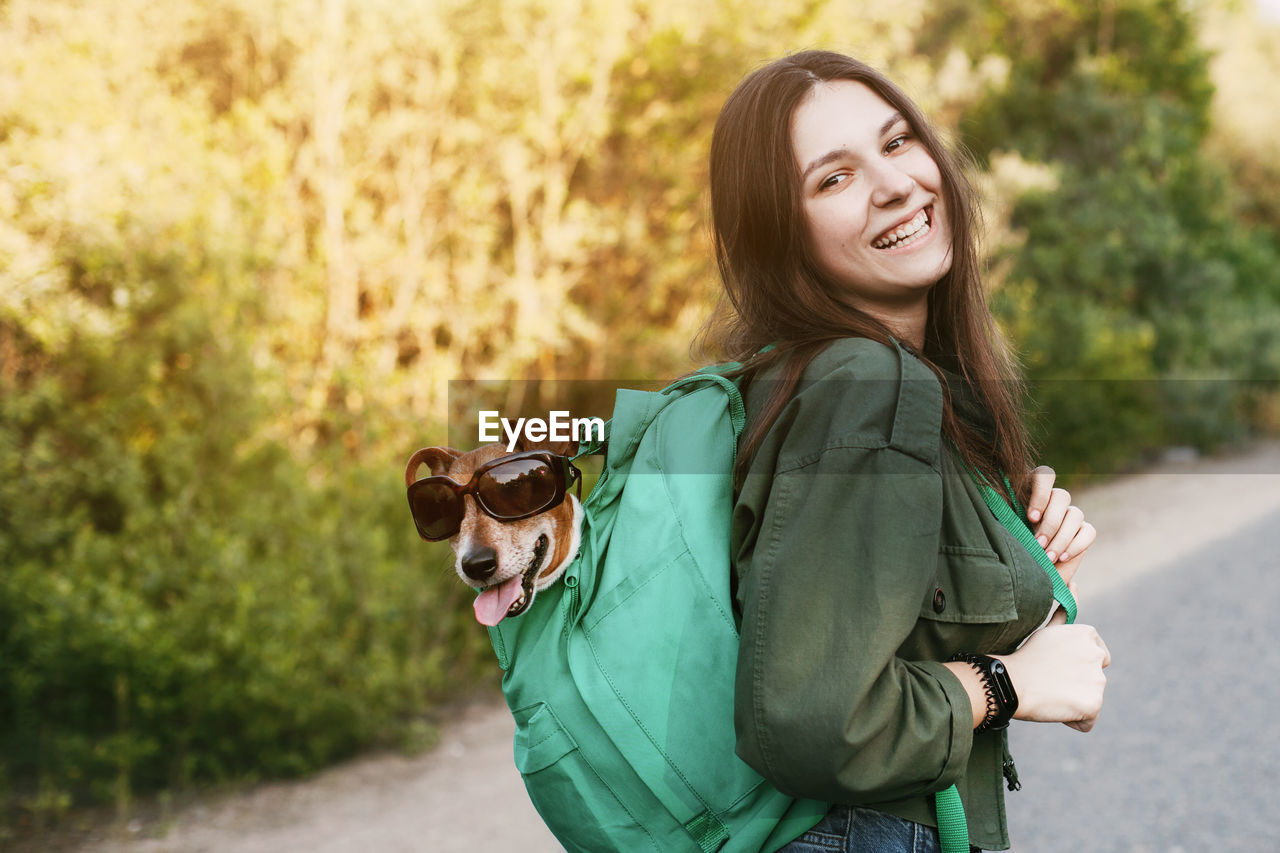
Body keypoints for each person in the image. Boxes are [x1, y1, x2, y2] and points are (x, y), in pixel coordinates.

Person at [704, 51, 1111, 852]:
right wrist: (1008, 683)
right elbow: (820, 720)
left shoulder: (830, 382)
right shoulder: (866, 381)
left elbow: (861, 627)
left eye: (895, 144)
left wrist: (1014, 552)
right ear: (780, 235)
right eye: (833, 179)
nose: (893, 185)